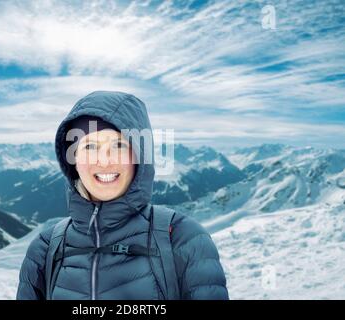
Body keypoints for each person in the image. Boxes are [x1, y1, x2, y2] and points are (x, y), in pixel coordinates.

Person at [16, 91, 229, 300]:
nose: (105, 160)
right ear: (72, 160)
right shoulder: (45, 250)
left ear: (139, 155)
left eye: (118, 145)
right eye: (90, 146)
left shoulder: (182, 239)